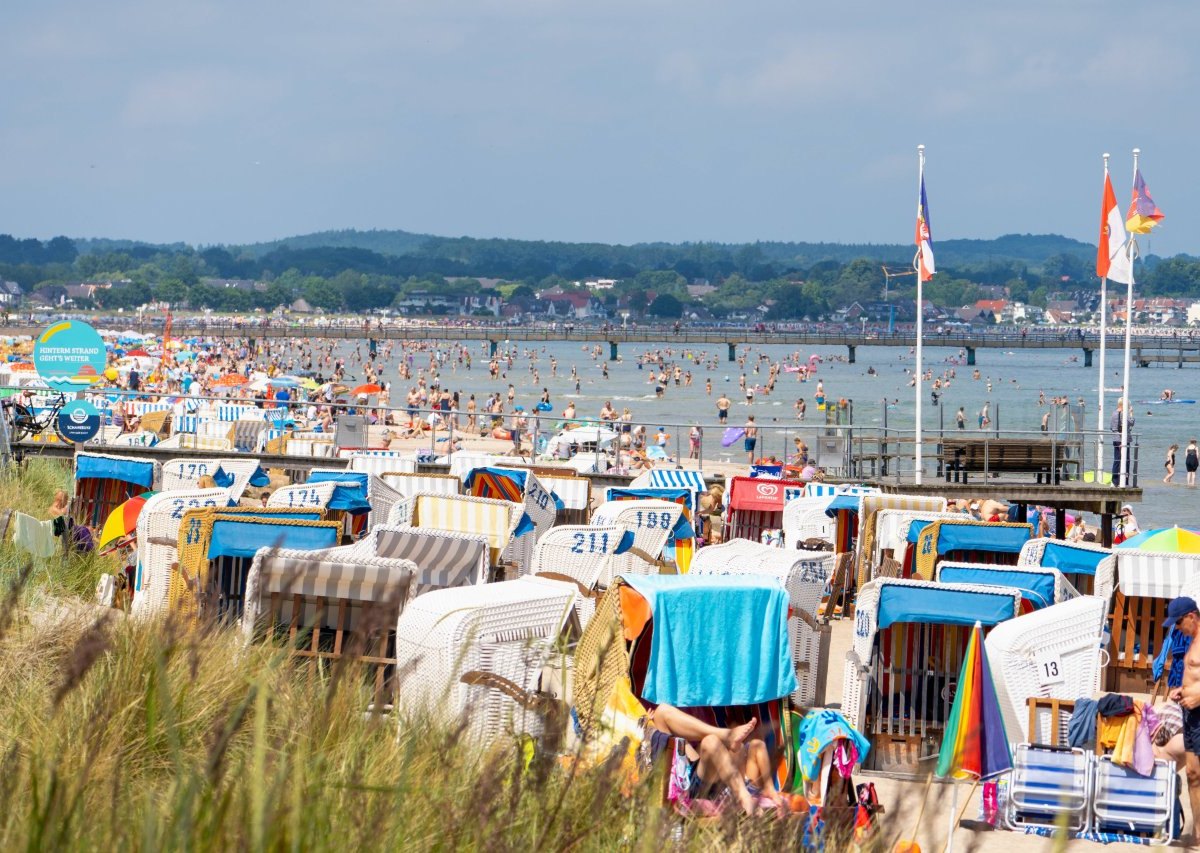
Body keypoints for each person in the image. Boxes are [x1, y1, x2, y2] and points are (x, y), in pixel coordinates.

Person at [644, 704, 782, 815]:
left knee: (663, 712)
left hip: (704, 776)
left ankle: (726, 736)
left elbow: (756, 747)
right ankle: (726, 736)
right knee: (662, 713)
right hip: (695, 780)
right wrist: (647, 727)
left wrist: (769, 787)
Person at [1166, 596, 1200, 831]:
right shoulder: (1192, 641)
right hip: (1190, 716)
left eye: (1178, 623)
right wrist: (1182, 690)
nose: (1176, 629)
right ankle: (1197, 831)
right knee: (1192, 773)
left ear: (1190, 616)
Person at [1110, 399, 1135, 484]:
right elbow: (1131, 423)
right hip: (1123, 439)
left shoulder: (1113, 413)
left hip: (1116, 439)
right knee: (1126, 460)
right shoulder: (1124, 414)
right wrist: (1131, 413)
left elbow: (1112, 427)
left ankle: (1114, 481)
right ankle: (1125, 481)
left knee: (1117, 460)